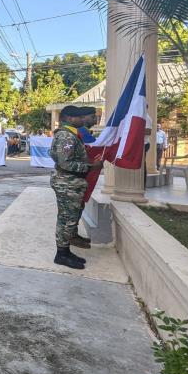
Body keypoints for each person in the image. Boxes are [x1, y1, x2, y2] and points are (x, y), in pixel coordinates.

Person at [49, 106, 104, 270]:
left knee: (68, 218)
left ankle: (65, 249)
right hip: (67, 183)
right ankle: (61, 254)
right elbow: (64, 162)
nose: (82, 119)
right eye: (79, 117)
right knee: (66, 219)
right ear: (70, 118)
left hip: (70, 182)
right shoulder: (67, 136)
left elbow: (55, 155)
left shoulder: (70, 134)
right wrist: (90, 167)